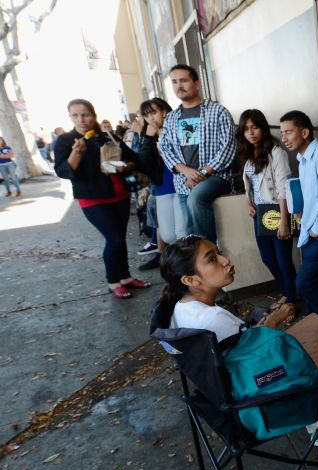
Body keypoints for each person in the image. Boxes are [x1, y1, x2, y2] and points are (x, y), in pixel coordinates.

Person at [157, 235, 318, 455]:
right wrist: (274, 320)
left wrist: (268, 322)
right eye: (212, 259)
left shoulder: (178, 309)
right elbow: (257, 348)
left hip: (227, 398)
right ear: (190, 280)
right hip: (258, 403)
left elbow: (245, 346)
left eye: (219, 252)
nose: (226, 261)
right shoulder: (213, 320)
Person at [53, 98, 151, 299]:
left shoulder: (106, 136)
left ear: (93, 115)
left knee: (119, 238)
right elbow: (63, 171)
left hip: (119, 194)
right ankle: (113, 281)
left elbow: (134, 158)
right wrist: (76, 154)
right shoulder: (65, 141)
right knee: (113, 238)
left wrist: (125, 166)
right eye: (76, 115)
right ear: (70, 117)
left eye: (86, 114)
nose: (81, 119)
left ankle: (125, 277)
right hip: (92, 198)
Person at [159, 64, 235, 243]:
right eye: (175, 82)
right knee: (189, 232)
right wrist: (186, 171)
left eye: (183, 80)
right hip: (184, 181)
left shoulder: (218, 112)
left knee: (196, 198)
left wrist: (201, 173)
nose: (179, 85)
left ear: (197, 84)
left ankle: (210, 250)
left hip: (216, 177)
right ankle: (200, 265)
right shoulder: (171, 118)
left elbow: (227, 148)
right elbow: (165, 148)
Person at [280, 110, 318, 319]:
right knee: (312, 283)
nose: (284, 138)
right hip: (309, 231)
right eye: (282, 133)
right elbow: (315, 196)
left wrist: (317, 228)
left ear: (305, 132)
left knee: (304, 283)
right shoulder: (304, 159)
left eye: (289, 132)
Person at [236, 109, 297, 304]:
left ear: (263, 128)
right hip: (259, 214)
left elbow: (283, 188)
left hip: (276, 212)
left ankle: (290, 300)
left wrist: (284, 222)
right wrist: (249, 202)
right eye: (246, 129)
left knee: (283, 260)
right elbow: (251, 184)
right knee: (268, 259)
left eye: (255, 127)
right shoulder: (247, 153)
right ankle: (287, 291)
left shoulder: (276, 153)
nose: (251, 133)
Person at [136, 98, 188, 271]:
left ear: (164, 112)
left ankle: (186, 269)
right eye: (146, 115)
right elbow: (143, 162)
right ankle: (179, 265)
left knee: (182, 232)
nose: (149, 118)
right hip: (162, 187)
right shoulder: (148, 135)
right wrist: (149, 137)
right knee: (167, 233)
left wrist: (160, 134)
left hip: (182, 185)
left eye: (153, 113)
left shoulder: (177, 128)